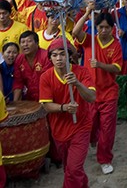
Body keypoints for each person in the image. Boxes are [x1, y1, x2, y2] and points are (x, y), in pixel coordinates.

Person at [39, 37, 97, 188]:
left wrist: (77, 83)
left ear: (69, 55)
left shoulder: (81, 72)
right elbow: (46, 106)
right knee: (69, 169)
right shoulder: (46, 77)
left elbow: (91, 97)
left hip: (81, 126)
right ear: (50, 58)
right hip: (59, 130)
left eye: (62, 54)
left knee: (74, 169)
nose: (59, 58)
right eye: (55, 55)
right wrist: (64, 108)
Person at [72, 6, 123, 174]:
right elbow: (75, 31)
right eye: (100, 27)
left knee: (107, 129)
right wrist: (87, 13)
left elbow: (117, 68)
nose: (103, 30)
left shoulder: (115, 45)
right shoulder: (90, 41)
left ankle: (105, 159)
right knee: (90, 125)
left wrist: (100, 64)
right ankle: (94, 142)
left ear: (112, 28)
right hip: (90, 93)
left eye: (106, 27)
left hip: (109, 93)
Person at [12, 30, 51, 101]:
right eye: (22, 42)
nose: (25, 44)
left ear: (37, 43)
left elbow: (49, 82)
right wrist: (16, 103)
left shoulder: (46, 57)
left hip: (47, 96)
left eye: (29, 41)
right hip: (29, 98)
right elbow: (18, 83)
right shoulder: (19, 59)